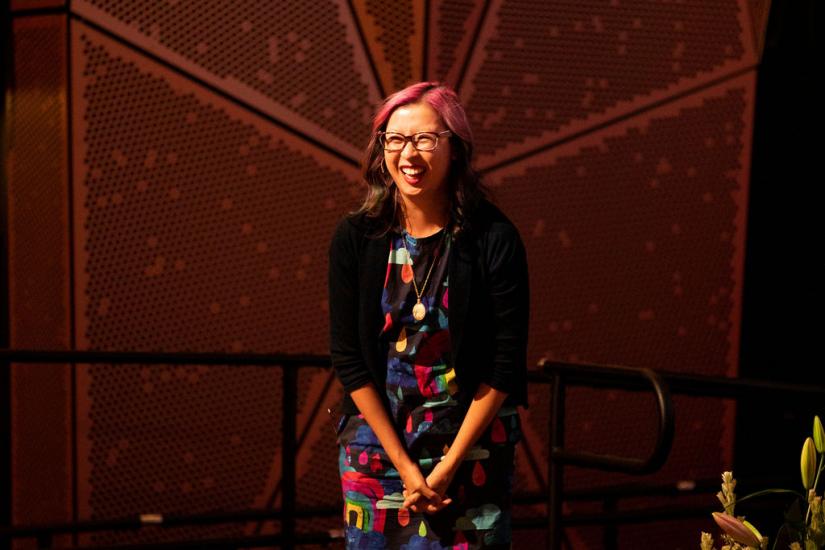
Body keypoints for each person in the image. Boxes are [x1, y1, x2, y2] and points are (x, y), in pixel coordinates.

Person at [328, 81, 529, 549]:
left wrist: (449, 464)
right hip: (377, 450)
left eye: (424, 139)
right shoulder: (355, 238)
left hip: (469, 449)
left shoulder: (493, 238)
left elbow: (504, 363)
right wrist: (403, 465)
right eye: (395, 140)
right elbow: (348, 358)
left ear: (454, 148)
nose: (408, 154)